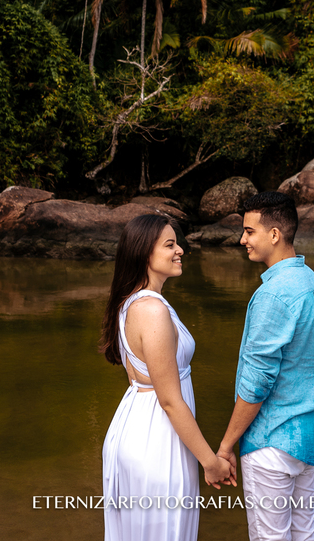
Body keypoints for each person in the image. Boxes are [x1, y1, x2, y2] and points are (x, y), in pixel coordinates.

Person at [100, 213, 234, 541]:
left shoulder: (132, 302)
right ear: (144, 253)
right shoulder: (152, 311)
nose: (180, 251)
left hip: (140, 426)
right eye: (170, 245)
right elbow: (170, 401)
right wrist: (210, 462)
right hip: (157, 440)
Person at [217, 191, 314, 541]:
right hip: (311, 435)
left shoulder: (273, 294)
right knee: (303, 531)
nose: (242, 240)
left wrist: (226, 446)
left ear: (274, 234)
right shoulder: (312, 282)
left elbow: (257, 383)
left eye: (249, 231)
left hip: (273, 440)